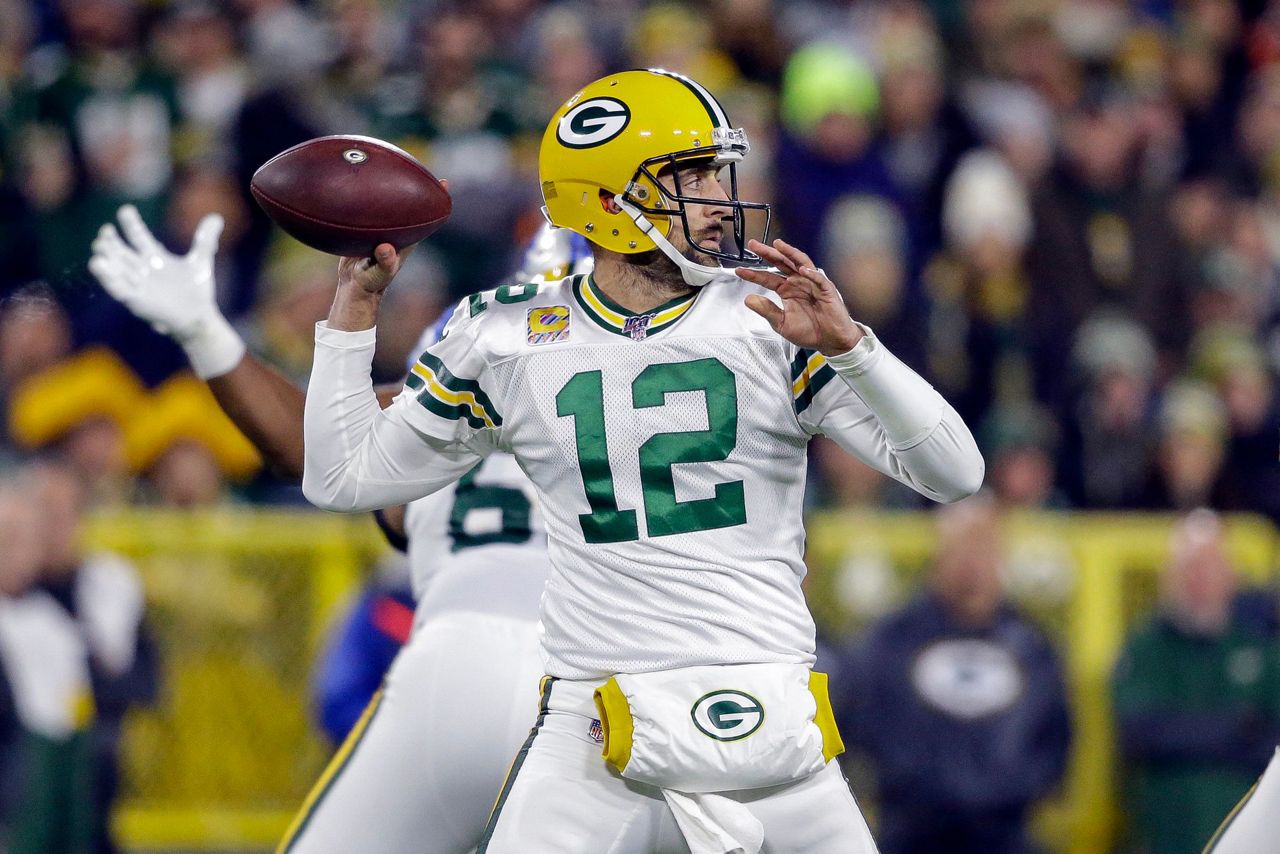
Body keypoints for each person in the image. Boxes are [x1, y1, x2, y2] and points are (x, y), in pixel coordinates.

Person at [300, 68, 983, 852]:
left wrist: (855, 348)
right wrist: (353, 307)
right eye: (691, 176)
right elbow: (343, 477)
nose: (721, 197)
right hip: (598, 731)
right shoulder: (509, 334)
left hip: (767, 724)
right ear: (612, 202)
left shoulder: (770, 319)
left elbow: (955, 473)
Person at [88, 204, 592, 852]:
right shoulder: (671, 381)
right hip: (603, 680)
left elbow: (309, 448)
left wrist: (207, 332)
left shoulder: (466, 378)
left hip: (460, 661)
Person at [837, 495, 1071, 854]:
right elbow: (865, 727)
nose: (972, 561)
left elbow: (1055, 738)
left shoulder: (1032, 646)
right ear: (940, 551)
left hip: (1004, 832)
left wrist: (1004, 791)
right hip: (912, 833)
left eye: (984, 546)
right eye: (963, 545)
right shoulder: (891, 641)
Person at [1112, 509, 1280, 854]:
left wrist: (1184, 732)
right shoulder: (1144, 647)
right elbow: (1139, 733)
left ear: (1231, 576)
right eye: (1189, 567)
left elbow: (1272, 743)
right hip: (1163, 835)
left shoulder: (1260, 650)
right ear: (1169, 576)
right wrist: (1238, 728)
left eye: (1209, 567)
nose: (1199, 580)